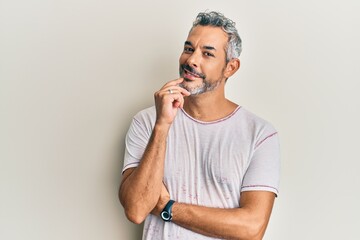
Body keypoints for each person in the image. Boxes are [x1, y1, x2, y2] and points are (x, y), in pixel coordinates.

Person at [119, 11, 280, 240]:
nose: (192, 60)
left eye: (207, 54)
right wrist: (162, 125)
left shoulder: (260, 134)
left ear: (230, 68)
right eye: (188, 49)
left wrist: (168, 207)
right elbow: (136, 210)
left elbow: (251, 228)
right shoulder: (147, 122)